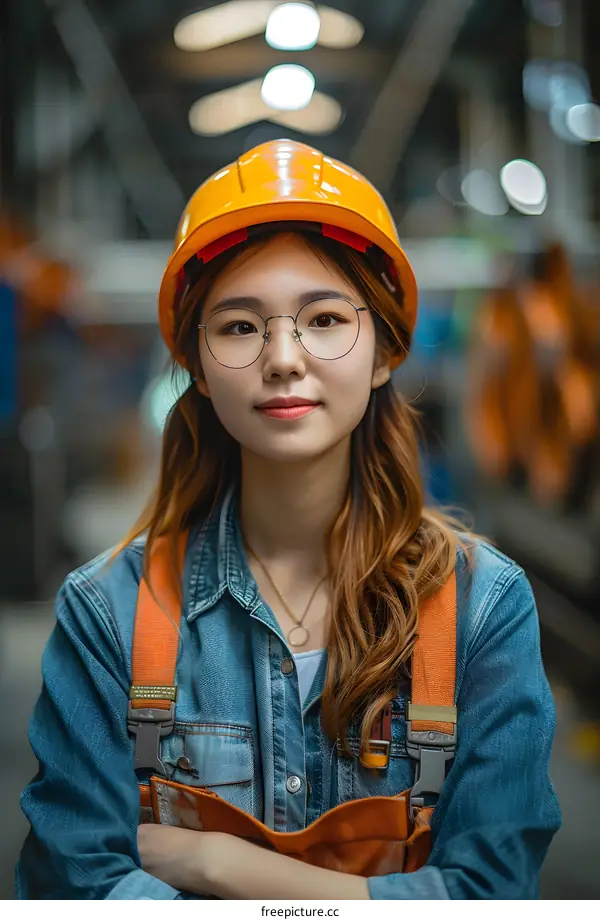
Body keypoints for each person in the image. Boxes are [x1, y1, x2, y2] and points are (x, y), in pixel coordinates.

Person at [16, 139, 561, 900]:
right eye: (239, 326)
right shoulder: (108, 612)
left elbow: (492, 893)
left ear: (383, 352)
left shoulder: (479, 606)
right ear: (199, 369)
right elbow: (77, 889)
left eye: (326, 318)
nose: (282, 357)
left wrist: (221, 867)